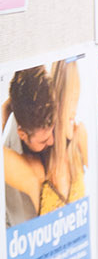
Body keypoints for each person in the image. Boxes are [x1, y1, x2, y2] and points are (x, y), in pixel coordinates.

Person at [4, 60, 88, 224]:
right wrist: (6, 108)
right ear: (22, 134)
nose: (51, 141)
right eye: (43, 140)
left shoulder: (78, 136)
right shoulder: (32, 172)